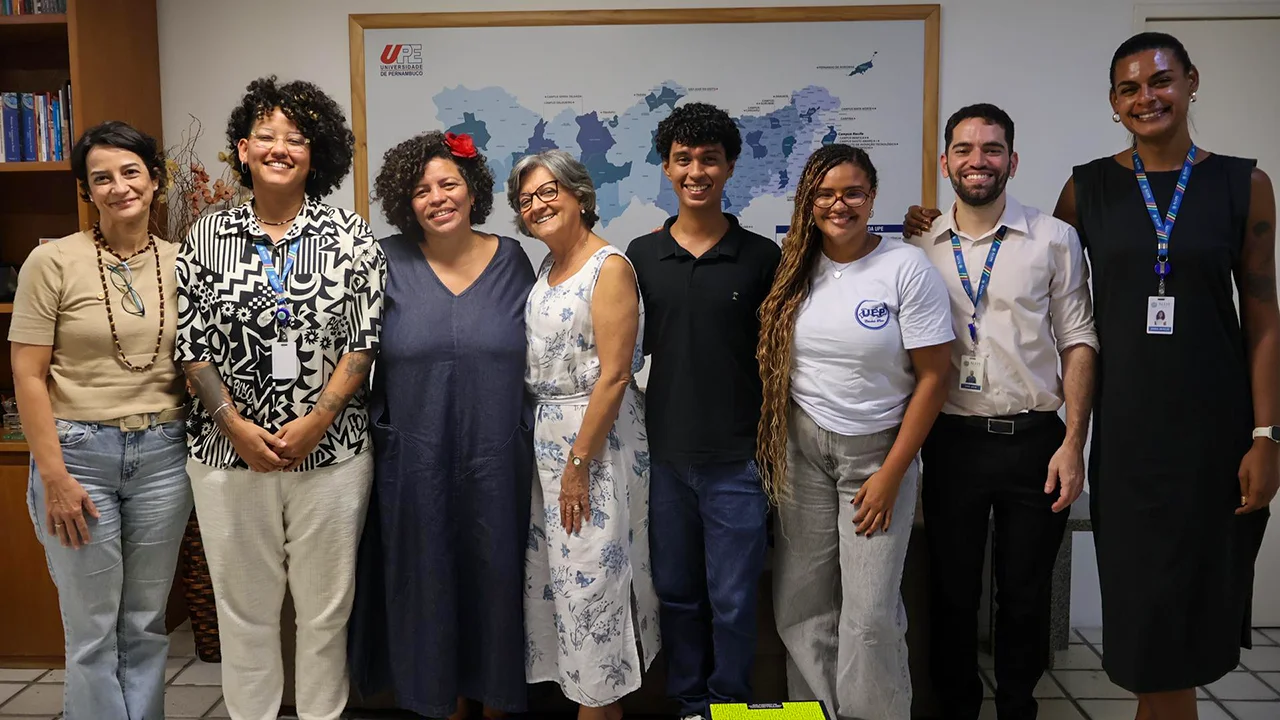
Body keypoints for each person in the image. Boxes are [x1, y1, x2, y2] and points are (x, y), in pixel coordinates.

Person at [906, 32, 1279, 720]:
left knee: (1178, 596)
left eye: (1161, 81)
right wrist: (924, 225)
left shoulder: (1245, 185)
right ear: (1113, 103)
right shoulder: (1087, 190)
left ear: (1191, 81)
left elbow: (1261, 317)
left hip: (1208, 426)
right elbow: (1027, 283)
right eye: (1130, 88)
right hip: (1126, 430)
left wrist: (1268, 433)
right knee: (1126, 601)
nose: (1147, 97)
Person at [175, 75, 386, 720]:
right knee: (245, 614)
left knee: (325, 614)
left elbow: (364, 344)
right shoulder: (205, 235)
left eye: (294, 138)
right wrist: (234, 424)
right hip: (225, 459)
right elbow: (192, 347)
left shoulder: (352, 238)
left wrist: (318, 419)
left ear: (313, 154)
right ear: (243, 148)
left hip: (333, 455)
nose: (279, 148)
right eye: (265, 135)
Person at [899, 103, 1099, 720]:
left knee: (1024, 592)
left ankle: (1018, 706)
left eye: (991, 150)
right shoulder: (919, 243)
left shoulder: (1054, 239)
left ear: (1012, 161)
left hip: (1036, 438)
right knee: (952, 592)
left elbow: (1080, 341)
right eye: (964, 149)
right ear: (945, 162)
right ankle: (957, 707)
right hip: (951, 440)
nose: (976, 161)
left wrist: (1074, 445)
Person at [756, 144, 954, 720]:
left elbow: (936, 376)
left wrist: (893, 473)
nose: (838, 204)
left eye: (852, 192)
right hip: (802, 449)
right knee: (802, 602)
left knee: (869, 613)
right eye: (824, 193)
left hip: (876, 454)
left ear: (871, 197)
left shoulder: (904, 268)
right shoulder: (794, 266)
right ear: (808, 201)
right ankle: (814, 711)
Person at [348, 130, 534, 720]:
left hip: (500, 460)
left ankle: (499, 704)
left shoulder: (513, 260)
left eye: (447, 183)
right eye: (421, 189)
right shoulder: (386, 261)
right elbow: (348, 352)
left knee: (498, 585)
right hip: (414, 465)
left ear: (471, 188)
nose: (437, 197)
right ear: (407, 202)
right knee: (427, 590)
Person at [10, 121, 191, 720]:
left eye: (131, 172)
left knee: (144, 622)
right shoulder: (52, 261)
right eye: (102, 178)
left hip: (164, 455)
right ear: (88, 191)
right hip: (78, 454)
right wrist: (54, 477)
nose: (119, 187)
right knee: (91, 630)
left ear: (154, 180)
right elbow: (28, 375)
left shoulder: (182, 262)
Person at [625, 102, 779, 720]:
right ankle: (688, 704)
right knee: (678, 595)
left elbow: (778, 361)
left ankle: (729, 705)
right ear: (667, 168)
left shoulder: (761, 257)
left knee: (735, 600)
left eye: (709, 159)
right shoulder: (639, 256)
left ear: (729, 167)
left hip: (737, 463)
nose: (697, 171)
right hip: (663, 458)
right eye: (684, 159)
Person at [510, 149, 661, 720]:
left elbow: (617, 374)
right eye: (526, 200)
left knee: (593, 589)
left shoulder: (609, 266)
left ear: (579, 195)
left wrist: (577, 465)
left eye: (549, 192)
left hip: (594, 445)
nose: (538, 205)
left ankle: (601, 708)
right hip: (550, 440)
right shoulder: (548, 269)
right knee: (561, 591)